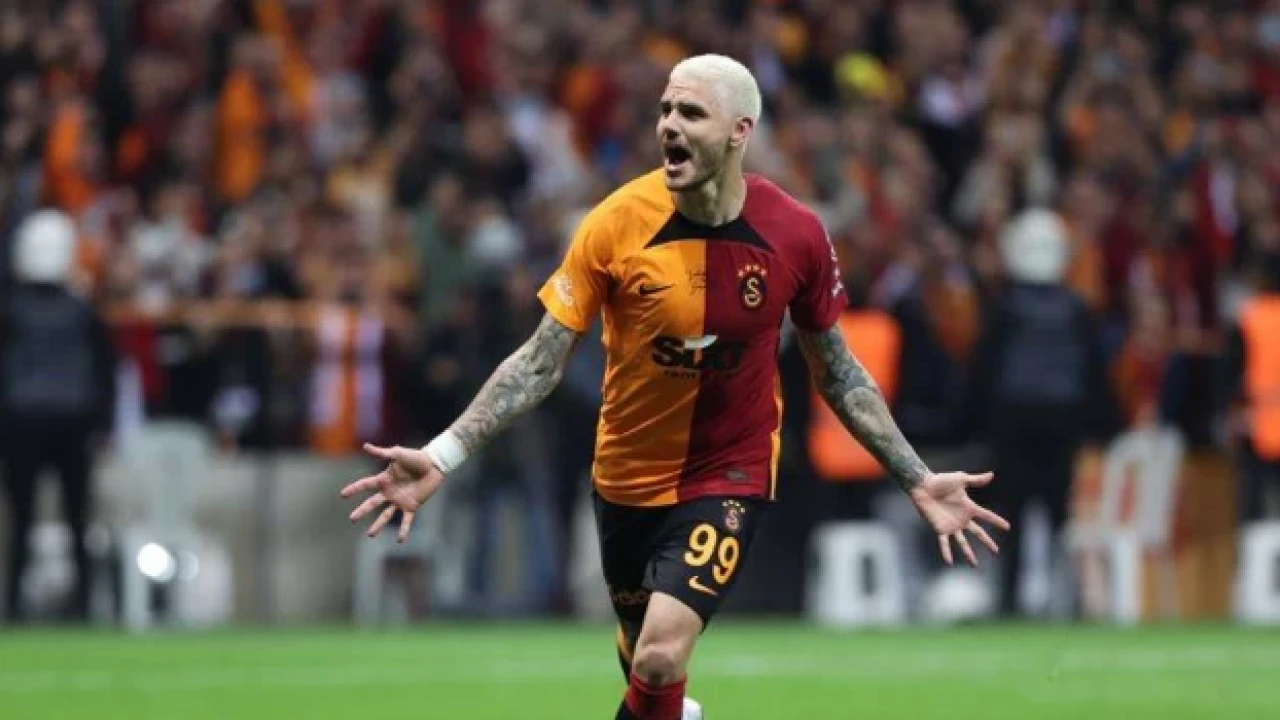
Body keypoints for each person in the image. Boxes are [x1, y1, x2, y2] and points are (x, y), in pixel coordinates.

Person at [341, 55, 1009, 720]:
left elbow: (837, 371)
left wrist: (916, 477)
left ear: (740, 131)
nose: (669, 125)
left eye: (691, 112)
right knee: (645, 666)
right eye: (665, 110)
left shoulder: (796, 234)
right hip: (626, 477)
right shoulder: (614, 223)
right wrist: (442, 454)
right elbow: (539, 362)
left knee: (660, 656)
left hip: (729, 472)